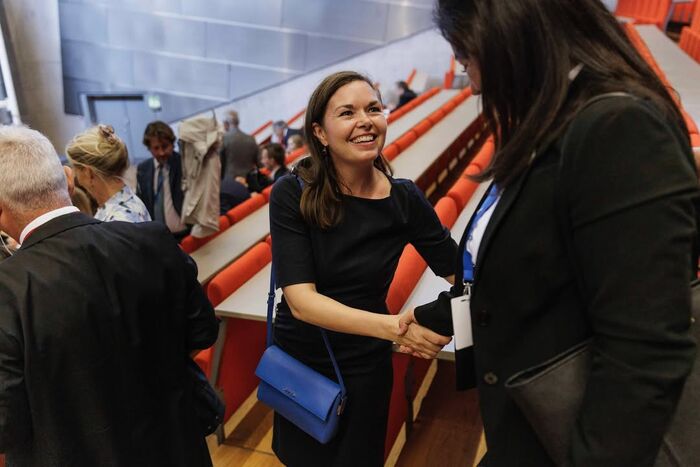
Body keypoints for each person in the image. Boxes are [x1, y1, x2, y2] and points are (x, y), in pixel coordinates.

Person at [410, 1, 699, 466]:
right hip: (531, 428)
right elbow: (535, 271)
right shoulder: (552, 120)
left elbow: (643, 353)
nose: (473, 85)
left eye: (468, 60)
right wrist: (436, 317)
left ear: (508, 38)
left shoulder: (618, 129)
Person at [0, 126, 218, 466]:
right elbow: (202, 332)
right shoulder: (152, 240)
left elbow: (8, 425)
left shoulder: (7, 290)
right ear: (69, 180)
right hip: (175, 447)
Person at [268, 71, 455, 467]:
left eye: (373, 109)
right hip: (304, 359)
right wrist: (397, 328)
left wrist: (439, 317)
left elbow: (462, 272)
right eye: (347, 113)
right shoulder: (292, 191)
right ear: (320, 133)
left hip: (364, 364)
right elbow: (301, 301)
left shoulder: (404, 198)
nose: (365, 121)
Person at [66, 124, 150, 223]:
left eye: (75, 169)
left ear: (88, 173)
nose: (75, 176)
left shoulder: (118, 219)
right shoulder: (123, 204)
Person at [136, 121, 189, 238]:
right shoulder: (143, 169)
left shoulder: (184, 163)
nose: (161, 152)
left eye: (165, 146)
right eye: (156, 148)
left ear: (172, 144)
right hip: (159, 238)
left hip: (185, 234)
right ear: (149, 148)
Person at [219, 110, 259, 180]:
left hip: (231, 180)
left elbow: (220, 162)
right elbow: (258, 161)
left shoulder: (224, 139)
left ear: (226, 123)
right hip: (249, 179)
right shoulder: (251, 139)